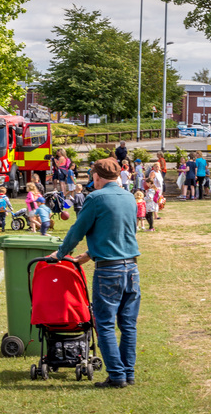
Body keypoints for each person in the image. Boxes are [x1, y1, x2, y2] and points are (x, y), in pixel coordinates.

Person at [49, 158, 139, 388]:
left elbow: (77, 231)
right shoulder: (129, 197)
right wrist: (88, 255)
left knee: (105, 324)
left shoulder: (95, 198)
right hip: (131, 268)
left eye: (92, 176)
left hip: (109, 270)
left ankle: (117, 376)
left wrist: (59, 255)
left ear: (96, 177)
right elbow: (118, 232)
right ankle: (128, 373)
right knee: (128, 325)